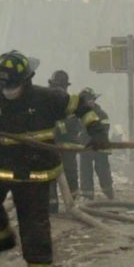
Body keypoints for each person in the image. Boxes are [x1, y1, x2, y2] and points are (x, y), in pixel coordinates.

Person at [0, 50, 110, 267]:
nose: (8, 91)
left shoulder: (48, 98)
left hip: (35, 170)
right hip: (2, 166)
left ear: (26, 80)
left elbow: (81, 105)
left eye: (13, 85)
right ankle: (2, 239)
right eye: (4, 85)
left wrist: (97, 131)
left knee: (33, 223)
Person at [47, 69, 83, 212]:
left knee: (70, 174)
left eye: (61, 86)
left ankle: (71, 203)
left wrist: (59, 127)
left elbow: (74, 124)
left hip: (66, 148)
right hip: (50, 147)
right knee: (50, 175)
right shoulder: (45, 101)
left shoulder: (70, 103)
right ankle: (52, 205)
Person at [79, 90, 116, 200]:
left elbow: (104, 130)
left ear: (93, 101)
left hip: (100, 148)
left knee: (103, 170)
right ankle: (87, 195)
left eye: (89, 100)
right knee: (85, 171)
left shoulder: (101, 114)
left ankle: (108, 191)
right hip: (86, 148)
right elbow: (78, 130)